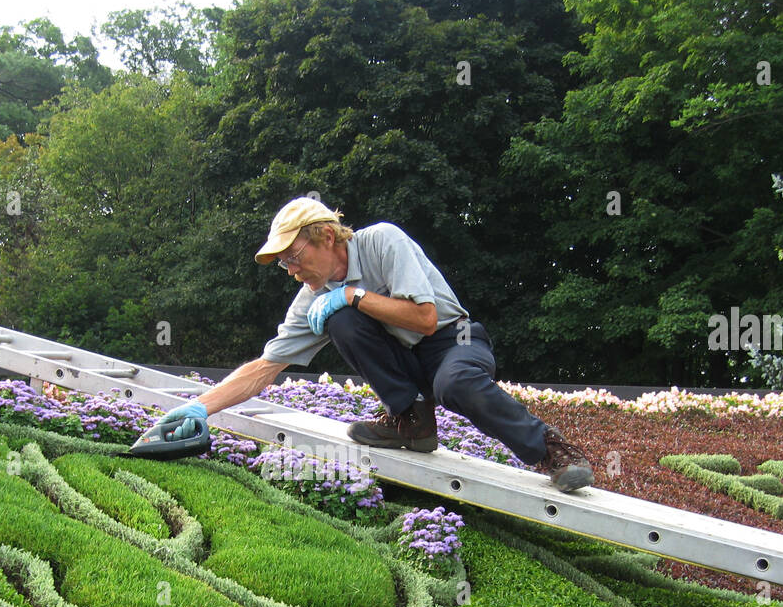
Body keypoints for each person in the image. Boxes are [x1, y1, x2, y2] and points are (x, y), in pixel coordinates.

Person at [156, 196, 595, 492]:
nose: (290, 270)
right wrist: (199, 407)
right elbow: (266, 367)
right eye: (283, 264)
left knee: (454, 382)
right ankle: (411, 420)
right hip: (404, 362)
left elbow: (425, 320)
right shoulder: (312, 299)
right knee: (343, 322)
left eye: (294, 257)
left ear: (326, 236)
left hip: (450, 342)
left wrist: (352, 295)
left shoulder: (383, 241)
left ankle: (553, 451)